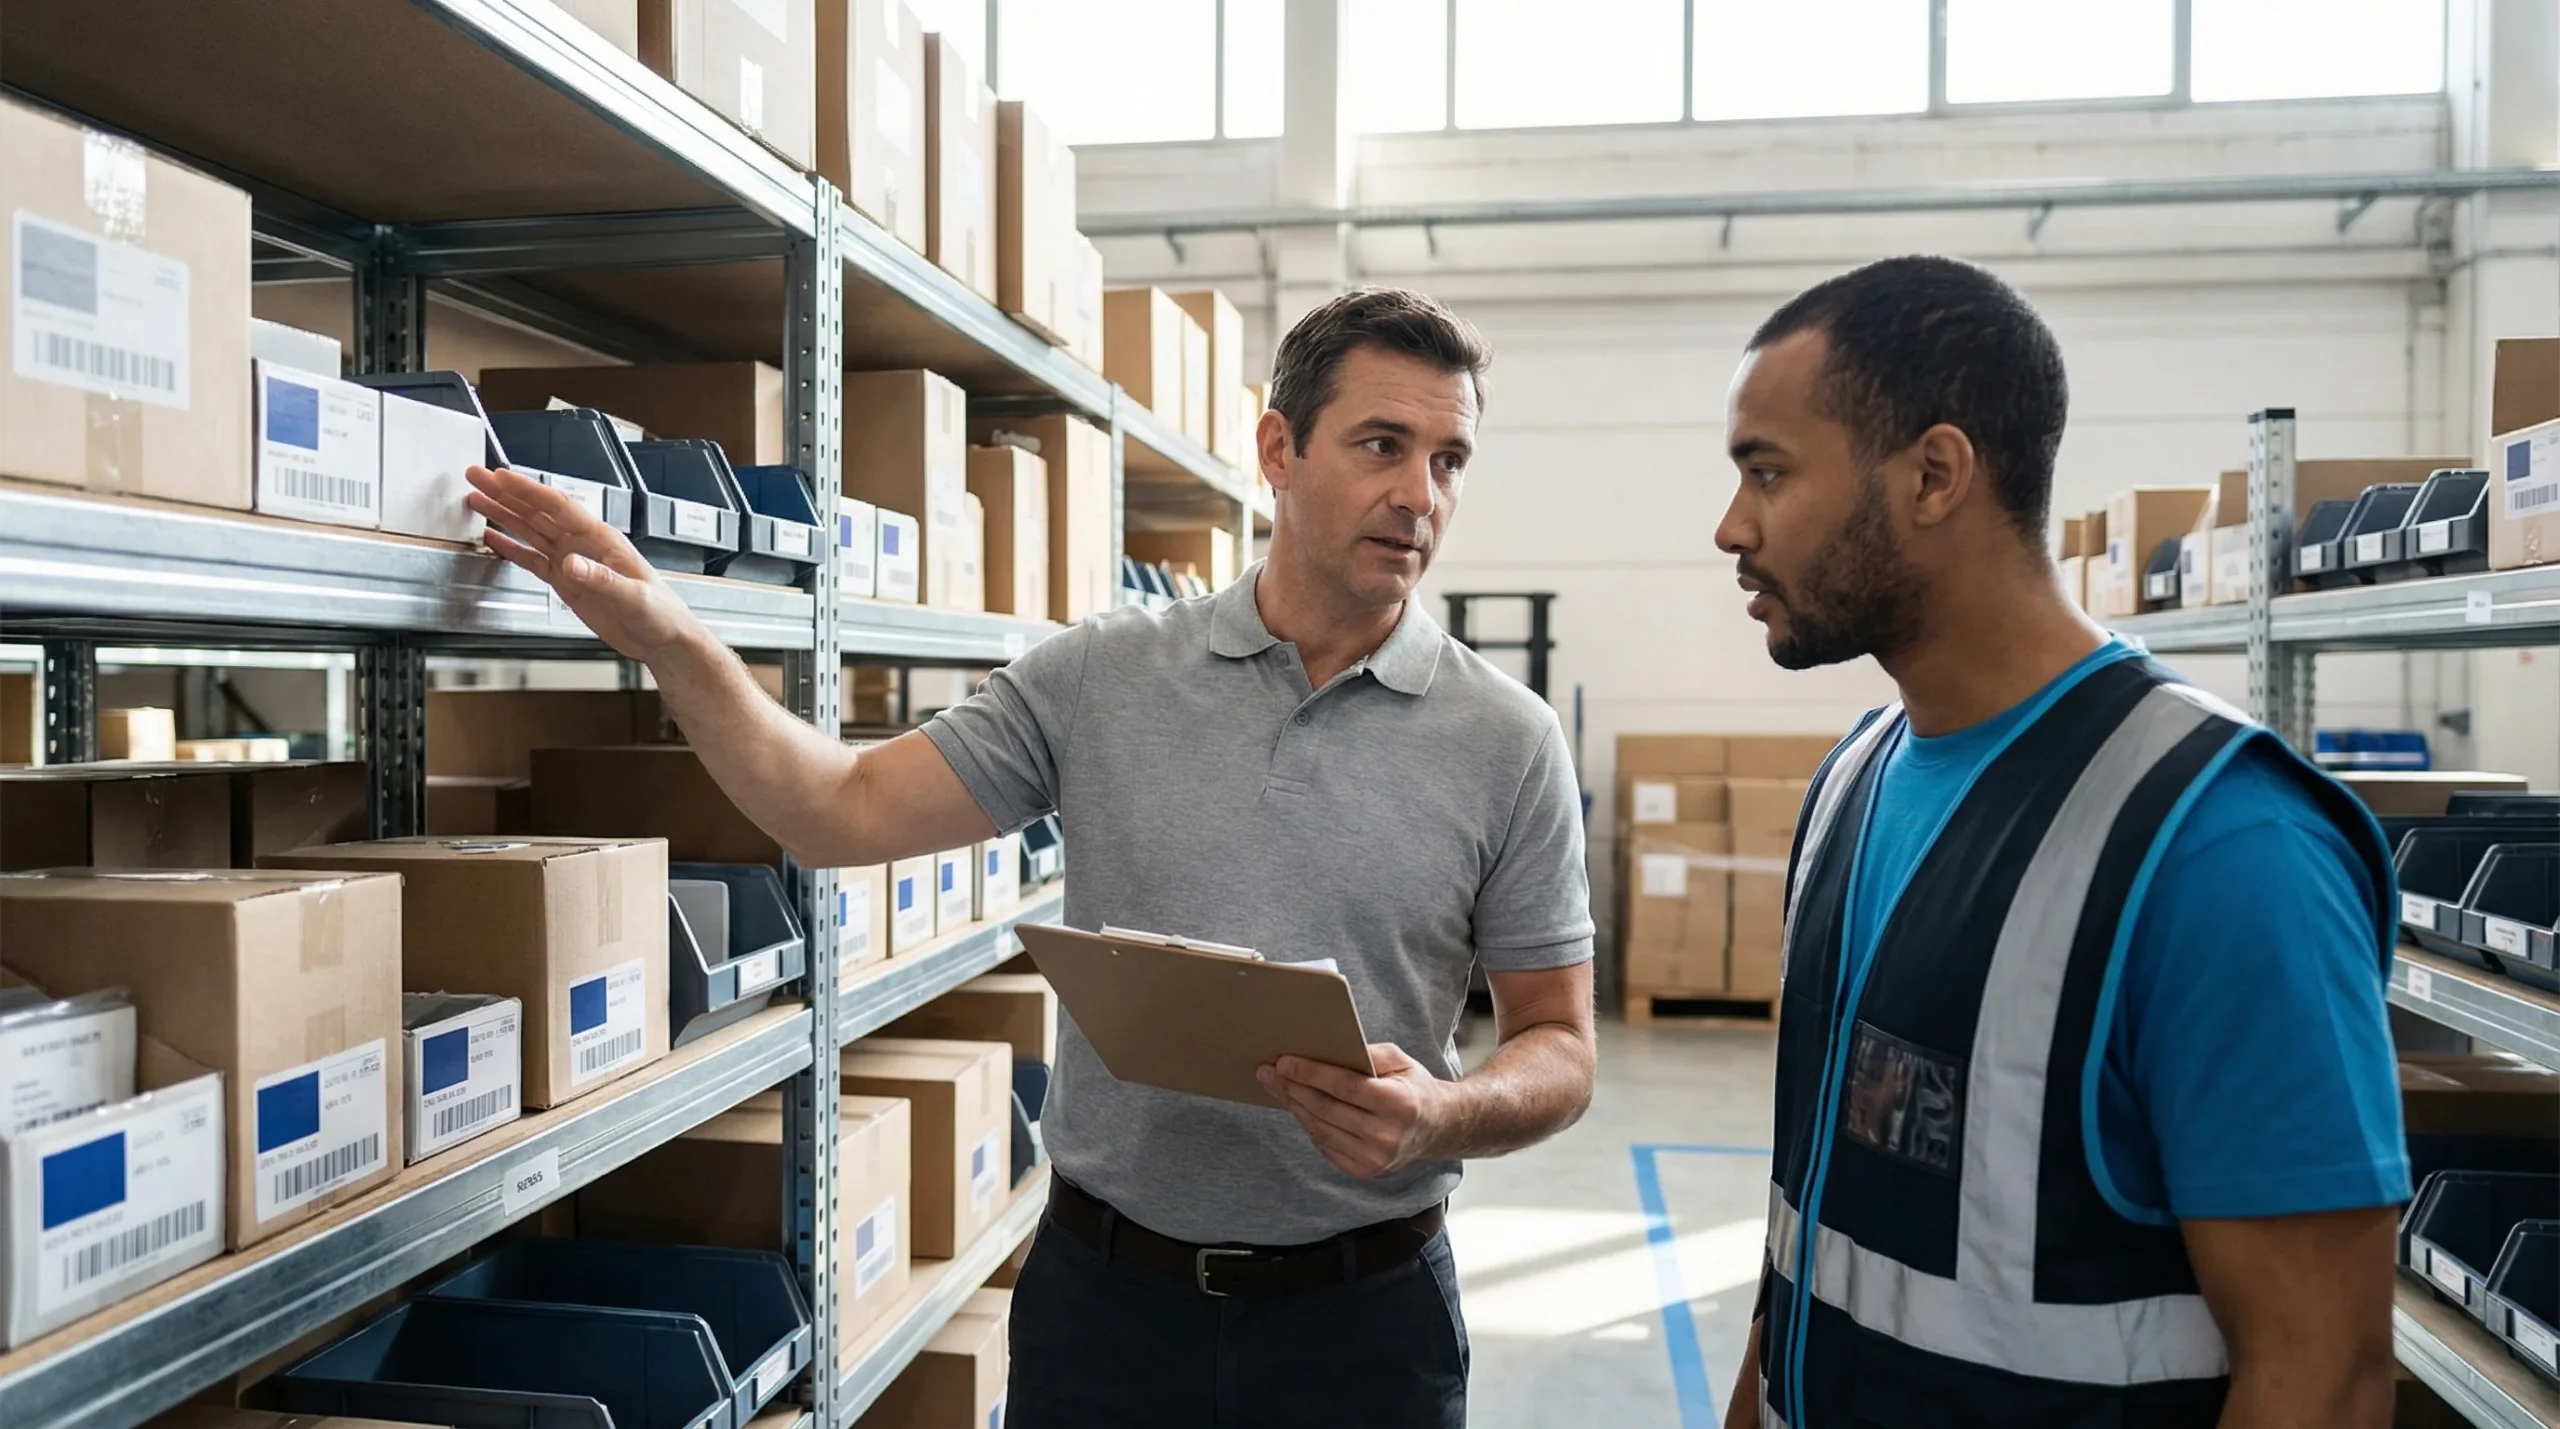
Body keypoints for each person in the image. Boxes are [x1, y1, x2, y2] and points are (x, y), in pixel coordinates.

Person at [464, 286, 1597, 1429]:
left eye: (1449, 460)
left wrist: (1444, 1113)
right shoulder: (1102, 676)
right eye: (1382, 445)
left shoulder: (1506, 740)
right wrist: (671, 633)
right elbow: (838, 808)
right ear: (1278, 450)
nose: (1420, 495)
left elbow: (1560, 1044)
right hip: (1111, 1311)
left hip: (1363, 1330)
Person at [1712, 257, 2405, 1429]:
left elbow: (2321, 1377)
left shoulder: (2223, 844)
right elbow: (1812, 1243)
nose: (1731, 525)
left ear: (1933, 474)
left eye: (1767, 472)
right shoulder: (1853, 785)